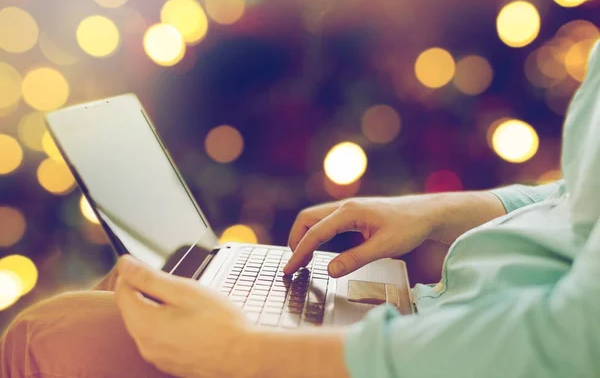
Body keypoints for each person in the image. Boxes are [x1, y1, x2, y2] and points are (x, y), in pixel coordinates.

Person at [2, 43, 600, 378]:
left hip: (460, 346)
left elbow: (572, 346)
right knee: (131, 297)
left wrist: (245, 350)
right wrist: (445, 208)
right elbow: (578, 200)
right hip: (451, 315)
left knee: (52, 335)